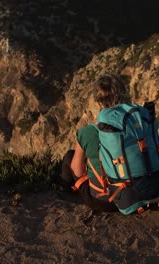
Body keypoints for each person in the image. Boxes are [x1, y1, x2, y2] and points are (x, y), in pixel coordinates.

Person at [59, 74, 131, 212]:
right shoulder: (137, 124)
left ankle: (64, 193)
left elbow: (77, 170)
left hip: (106, 201)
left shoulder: (88, 132)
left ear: (98, 102)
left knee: (70, 157)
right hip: (141, 191)